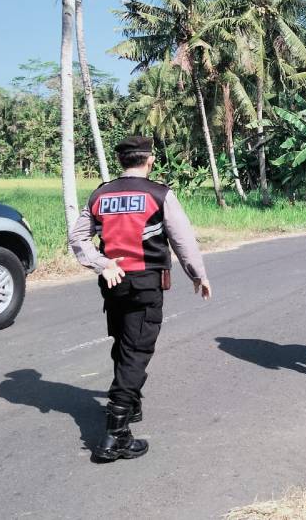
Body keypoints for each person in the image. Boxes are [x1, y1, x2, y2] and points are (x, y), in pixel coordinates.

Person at [69, 135, 212, 463]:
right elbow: (182, 240)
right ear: (150, 160)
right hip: (146, 283)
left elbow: (77, 237)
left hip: (113, 281)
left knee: (123, 344)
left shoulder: (100, 194)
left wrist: (101, 264)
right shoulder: (159, 194)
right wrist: (198, 275)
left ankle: (130, 405)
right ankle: (115, 435)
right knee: (136, 351)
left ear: (122, 161)